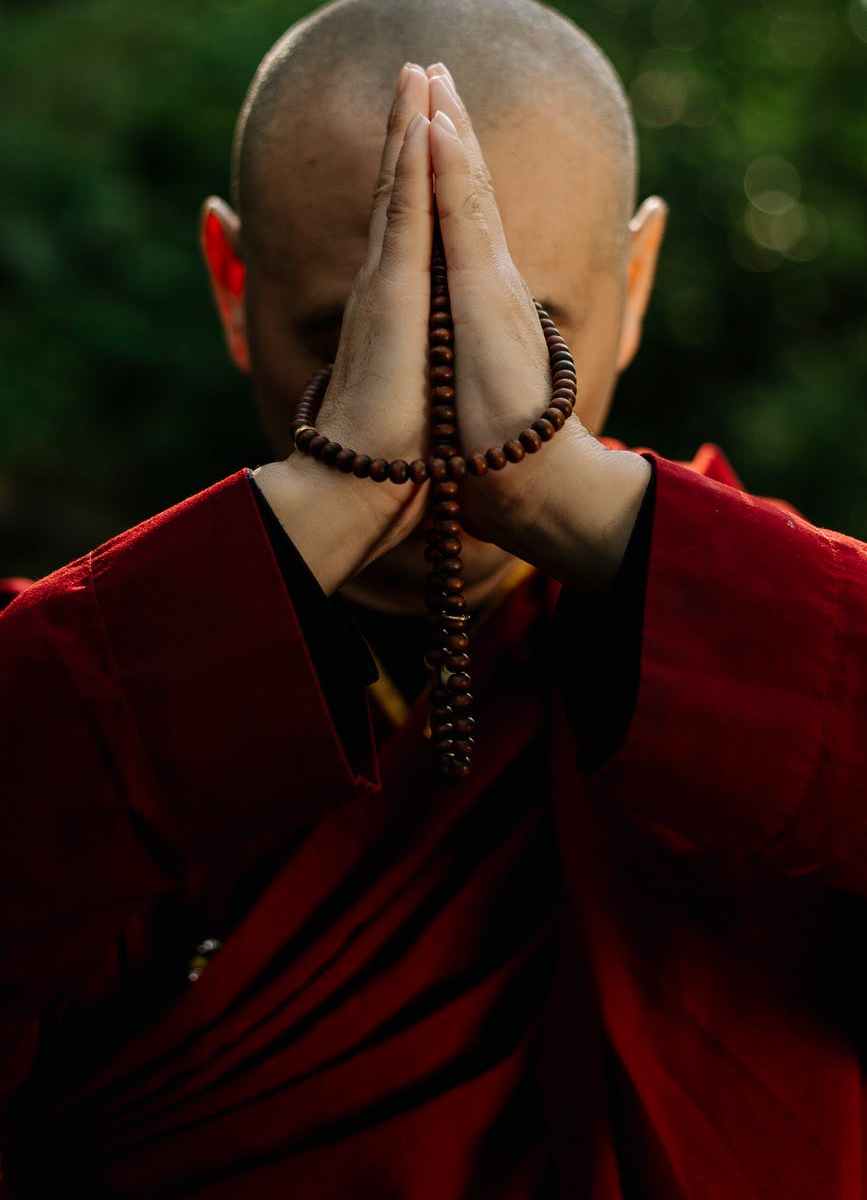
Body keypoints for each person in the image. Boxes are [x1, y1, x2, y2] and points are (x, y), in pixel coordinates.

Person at [2, 1, 864, 1196]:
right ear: (230, 283)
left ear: (639, 277)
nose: (436, 420)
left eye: (526, 340)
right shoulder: (78, 674)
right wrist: (318, 508)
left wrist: (578, 501)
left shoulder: (802, 649)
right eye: (353, 341)